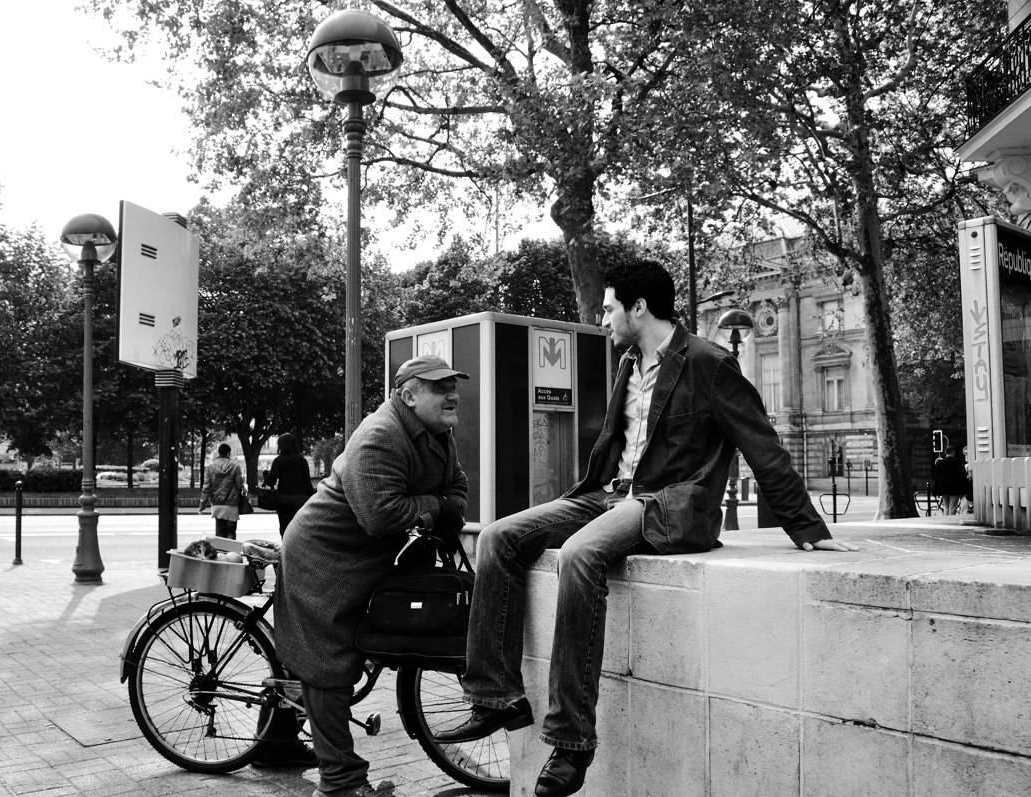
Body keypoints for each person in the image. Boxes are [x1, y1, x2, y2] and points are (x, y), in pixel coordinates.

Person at [435, 259, 859, 797]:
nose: (602, 318)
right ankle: (497, 696)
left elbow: (762, 444)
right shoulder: (629, 364)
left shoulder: (709, 363)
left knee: (580, 555)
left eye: (609, 308)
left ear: (638, 308)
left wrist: (805, 525)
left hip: (669, 504)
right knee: (499, 536)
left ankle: (571, 741)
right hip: (611, 495)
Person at [273, 355, 470, 797]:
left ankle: (276, 742)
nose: (452, 394)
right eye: (440, 387)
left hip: (367, 557)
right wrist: (438, 507)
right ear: (408, 395)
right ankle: (339, 783)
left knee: (344, 650)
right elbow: (382, 515)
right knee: (328, 664)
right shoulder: (380, 436)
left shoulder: (438, 434)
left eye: (453, 385)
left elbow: (458, 487)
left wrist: (442, 506)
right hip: (324, 557)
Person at [263, 432, 316, 535]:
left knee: (285, 528)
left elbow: (270, 482)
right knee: (300, 529)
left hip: (283, 501)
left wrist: (266, 475)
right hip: (301, 500)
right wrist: (312, 498)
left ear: (280, 445)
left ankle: (286, 544)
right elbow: (307, 482)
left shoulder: (278, 461)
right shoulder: (302, 461)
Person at [198, 443, 243, 539]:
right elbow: (239, 485)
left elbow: (206, 487)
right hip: (231, 504)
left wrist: (202, 505)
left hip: (217, 505)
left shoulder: (210, 467)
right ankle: (230, 549)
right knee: (231, 532)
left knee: (219, 534)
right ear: (228, 453)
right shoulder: (235, 467)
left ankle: (220, 548)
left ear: (219, 453)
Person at [933, 444, 970, 515]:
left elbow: (936, 477)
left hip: (944, 488)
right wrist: (966, 489)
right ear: (953, 452)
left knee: (946, 506)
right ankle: (951, 519)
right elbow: (962, 476)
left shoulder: (940, 463)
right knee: (952, 506)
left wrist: (935, 490)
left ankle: (946, 519)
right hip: (954, 489)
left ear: (945, 452)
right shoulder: (957, 462)